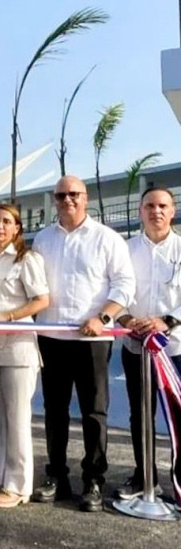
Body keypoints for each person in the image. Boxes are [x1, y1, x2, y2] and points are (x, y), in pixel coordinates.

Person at [31, 176, 135, 512]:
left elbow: (124, 285)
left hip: (92, 340)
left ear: (85, 197)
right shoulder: (43, 239)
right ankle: (56, 477)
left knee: (94, 412)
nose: (67, 200)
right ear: (54, 198)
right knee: (54, 411)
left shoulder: (107, 238)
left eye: (74, 194)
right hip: (51, 337)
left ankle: (93, 480)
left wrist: (102, 319)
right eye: (61, 195)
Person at [0, 204, 49, 508]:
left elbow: (42, 300)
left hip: (18, 347)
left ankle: (19, 486)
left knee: (17, 418)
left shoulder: (27, 259)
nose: (0, 226)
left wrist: (11, 315)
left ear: (17, 228)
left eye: (7, 222)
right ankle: (0, 479)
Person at [115, 186, 181, 501]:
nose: (156, 211)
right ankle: (144, 477)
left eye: (162, 206)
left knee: (178, 417)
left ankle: (178, 480)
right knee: (140, 415)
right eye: (150, 206)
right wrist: (126, 320)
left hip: (175, 350)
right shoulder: (125, 249)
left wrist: (166, 321)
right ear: (141, 211)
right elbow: (114, 290)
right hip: (136, 347)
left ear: (172, 211)